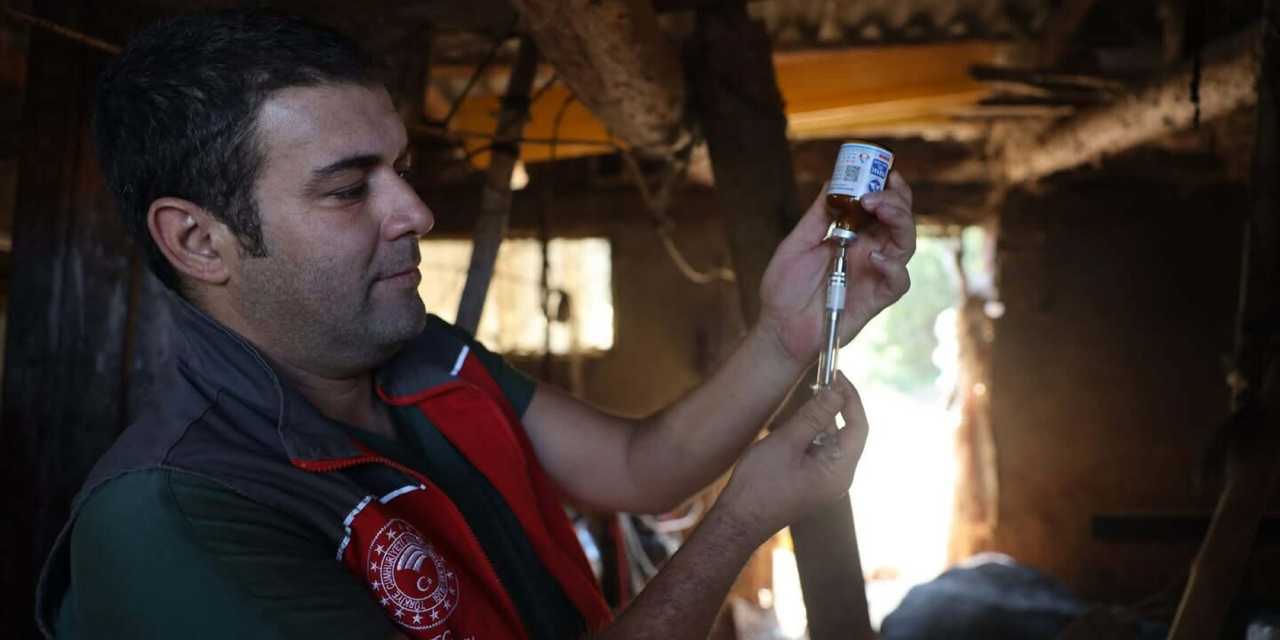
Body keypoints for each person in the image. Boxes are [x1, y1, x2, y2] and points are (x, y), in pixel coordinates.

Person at [34, 9, 916, 640]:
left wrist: (785, 334)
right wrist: (738, 523)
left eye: (402, 168)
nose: (415, 211)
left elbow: (638, 466)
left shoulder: (419, 355)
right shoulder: (178, 516)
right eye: (348, 189)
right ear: (199, 241)